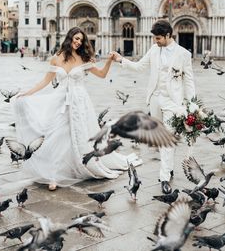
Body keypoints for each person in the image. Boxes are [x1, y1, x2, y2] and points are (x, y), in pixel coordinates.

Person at [14, 27, 140, 191]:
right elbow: (44, 82)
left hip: (79, 103)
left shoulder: (83, 58)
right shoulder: (56, 58)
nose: (78, 42)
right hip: (59, 102)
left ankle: (75, 167)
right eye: (76, 38)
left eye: (81, 40)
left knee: (79, 136)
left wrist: (109, 60)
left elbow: (102, 74)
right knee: (55, 136)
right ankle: (53, 175)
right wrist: (26, 93)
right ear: (69, 38)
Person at [111, 20, 195, 194]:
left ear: (168, 36)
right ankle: (169, 167)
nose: (155, 41)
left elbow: (189, 80)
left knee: (167, 138)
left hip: (173, 102)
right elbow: (140, 67)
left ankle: (164, 178)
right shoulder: (154, 49)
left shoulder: (183, 54)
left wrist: (192, 105)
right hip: (155, 99)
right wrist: (121, 60)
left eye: (158, 38)